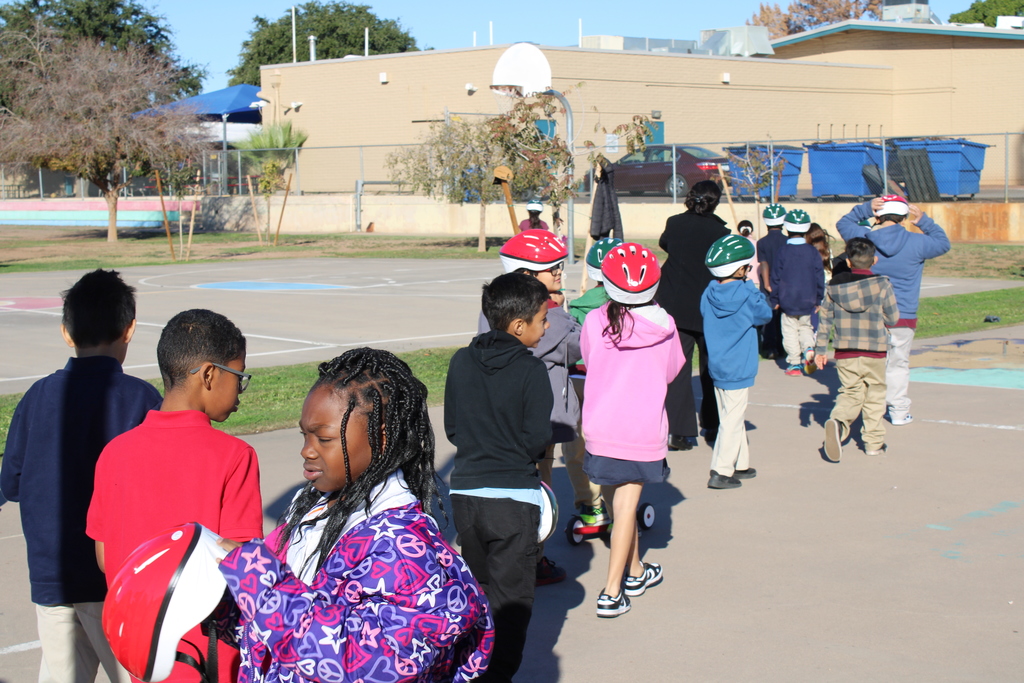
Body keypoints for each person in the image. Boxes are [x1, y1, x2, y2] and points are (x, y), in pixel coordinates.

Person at [217, 348, 493, 683]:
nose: (307, 449)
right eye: (304, 435)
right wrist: (223, 605)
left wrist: (258, 583)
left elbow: (362, 665)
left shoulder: (402, 552)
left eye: (324, 437)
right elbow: (280, 630)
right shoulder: (314, 508)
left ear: (381, 437)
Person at [0, 270, 162, 683]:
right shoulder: (142, 399)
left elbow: (12, 482)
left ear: (66, 333)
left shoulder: (36, 397)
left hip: (53, 581)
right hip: (118, 580)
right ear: (129, 330)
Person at [87, 309, 264, 683]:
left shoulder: (114, 452)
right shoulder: (235, 456)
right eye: (239, 376)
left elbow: (104, 558)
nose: (240, 391)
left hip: (142, 653)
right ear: (210, 374)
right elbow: (243, 566)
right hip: (210, 657)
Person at [447, 272, 553, 682]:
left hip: (467, 497)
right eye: (543, 320)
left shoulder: (460, 360)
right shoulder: (531, 371)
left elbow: (454, 428)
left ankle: (470, 668)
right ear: (519, 326)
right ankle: (496, 675)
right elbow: (537, 438)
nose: (546, 328)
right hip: (514, 500)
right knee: (512, 603)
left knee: (478, 591)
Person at [581, 243, 684, 618]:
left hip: (601, 425)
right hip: (640, 428)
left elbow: (590, 360)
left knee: (617, 504)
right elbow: (672, 371)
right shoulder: (665, 326)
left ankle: (636, 570)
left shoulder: (594, 320)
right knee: (625, 508)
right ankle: (611, 592)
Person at [484, 230, 580, 584]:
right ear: (525, 275)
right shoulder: (546, 319)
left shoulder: (493, 307)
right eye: (550, 268)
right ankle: (532, 559)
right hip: (538, 418)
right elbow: (577, 345)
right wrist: (557, 309)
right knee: (539, 487)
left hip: (503, 418)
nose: (558, 272)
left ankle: (510, 555)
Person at [836, 195, 950, 425]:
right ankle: (898, 411)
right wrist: (924, 221)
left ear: (878, 215)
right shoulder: (917, 242)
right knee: (898, 364)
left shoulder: (864, 240)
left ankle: (867, 410)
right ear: (905, 217)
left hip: (869, 315)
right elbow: (943, 243)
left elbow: (843, 224)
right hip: (902, 315)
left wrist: (865, 209)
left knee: (868, 364)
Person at [656, 180, 730, 450]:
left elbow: (666, 245)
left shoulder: (674, 223)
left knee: (677, 368)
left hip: (675, 304)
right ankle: (712, 426)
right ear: (715, 202)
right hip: (709, 307)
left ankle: (679, 432)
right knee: (711, 369)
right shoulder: (720, 232)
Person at [814, 238, 900, 461]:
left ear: (849, 262)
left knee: (850, 392)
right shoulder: (882, 284)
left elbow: (824, 321)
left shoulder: (834, 287)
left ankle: (839, 421)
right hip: (875, 349)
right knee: (875, 396)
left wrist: (820, 350)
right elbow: (893, 317)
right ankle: (873, 443)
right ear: (874, 260)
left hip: (845, 350)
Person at [701, 236, 773, 489]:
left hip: (718, 364)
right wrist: (753, 289)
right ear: (741, 269)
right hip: (739, 365)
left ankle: (740, 463)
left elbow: (703, 311)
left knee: (730, 414)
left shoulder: (709, 291)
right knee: (732, 418)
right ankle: (720, 471)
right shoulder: (748, 294)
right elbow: (765, 314)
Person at [563, 237, 624, 529]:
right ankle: (617, 508)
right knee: (609, 446)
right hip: (607, 384)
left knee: (576, 446)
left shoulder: (577, 306)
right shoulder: (626, 305)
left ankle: (589, 504)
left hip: (575, 379)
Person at [769, 209, 825, 376]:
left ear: (786, 228)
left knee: (790, 331)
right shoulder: (812, 252)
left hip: (787, 300)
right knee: (806, 327)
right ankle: (808, 347)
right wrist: (818, 299)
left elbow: (775, 277)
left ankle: (794, 363)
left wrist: (775, 299)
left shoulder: (782, 251)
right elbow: (819, 276)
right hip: (808, 299)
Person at [756, 203, 789, 359]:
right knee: (784, 318)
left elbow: (763, 263)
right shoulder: (788, 241)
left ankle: (769, 348)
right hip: (786, 285)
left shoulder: (762, 242)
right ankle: (783, 348)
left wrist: (767, 283)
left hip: (768, 285)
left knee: (769, 318)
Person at [737, 220, 760, 287]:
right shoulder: (757, 244)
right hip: (756, 280)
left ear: (739, 231)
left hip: (739, 280)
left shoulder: (737, 244)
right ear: (751, 231)